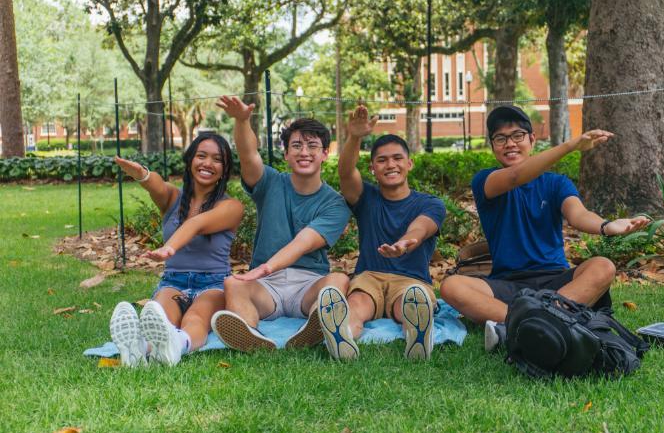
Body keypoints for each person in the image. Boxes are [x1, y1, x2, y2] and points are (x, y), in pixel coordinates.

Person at [440, 105, 650, 350]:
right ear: (493, 145)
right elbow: (515, 176)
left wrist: (607, 225)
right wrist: (570, 146)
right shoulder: (485, 181)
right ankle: (545, 322)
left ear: (532, 139)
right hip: (507, 283)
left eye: (517, 136)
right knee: (451, 286)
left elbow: (578, 214)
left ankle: (517, 325)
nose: (510, 144)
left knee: (603, 266)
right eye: (500, 138)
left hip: (556, 283)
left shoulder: (556, 183)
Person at [210, 96, 351, 352]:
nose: (304, 152)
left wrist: (264, 268)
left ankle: (316, 326)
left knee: (338, 281)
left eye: (312, 146)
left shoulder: (335, 204)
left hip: (309, 284)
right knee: (233, 284)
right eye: (296, 145)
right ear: (286, 154)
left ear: (325, 154)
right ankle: (250, 334)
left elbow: (303, 243)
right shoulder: (270, 183)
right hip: (266, 287)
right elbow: (248, 153)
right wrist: (242, 121)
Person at [317, 105, 446, 361]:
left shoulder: (430, 203)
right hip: (369, 277)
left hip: (411, 281)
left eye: (397, 158)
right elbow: (344, 173)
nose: (391, 165)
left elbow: (421, 228)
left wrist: (405, 243)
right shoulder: (366, 198)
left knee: (408, 305)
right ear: (373, 168)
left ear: (409, 163)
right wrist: (354, 137)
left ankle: (417, 335)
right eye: (382, 160)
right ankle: (344, 337)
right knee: (356, 304)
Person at [109, 132, 244, 367]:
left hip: (213, 284)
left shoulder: (231, 207)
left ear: (224, 169)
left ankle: (177, 346)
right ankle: (138, 350)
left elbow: (197, 223)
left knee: (196, 316)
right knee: (161, 316)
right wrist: (142, 174)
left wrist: (169, 248)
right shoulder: (173, 199)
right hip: (174, 282)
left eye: (217, 159)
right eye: (201, 156)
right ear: (190, 159)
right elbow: (158, 185)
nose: (207, 164)